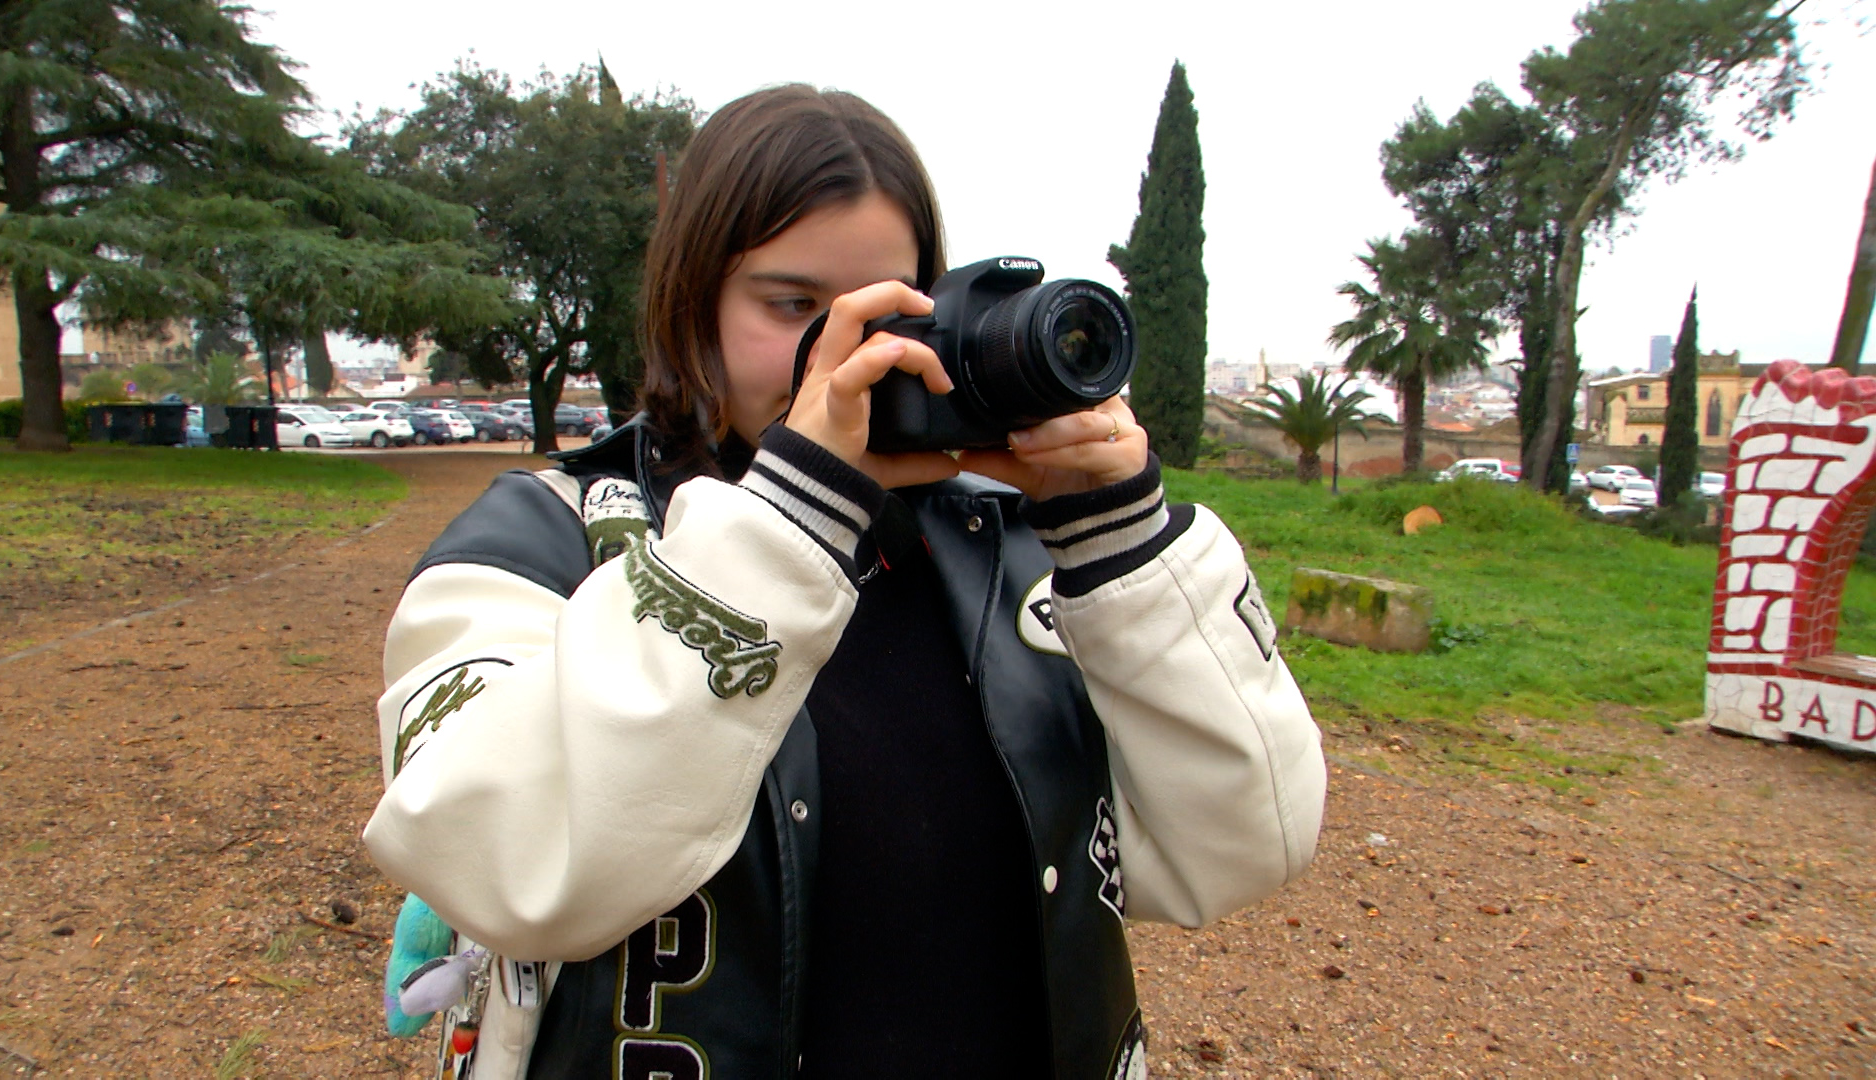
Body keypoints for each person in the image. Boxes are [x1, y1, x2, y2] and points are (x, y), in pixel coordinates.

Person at [364, 84, 1326, 1080]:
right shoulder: (545, 539)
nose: (851, 352)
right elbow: (494, 860)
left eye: (889, 307)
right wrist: (795, 515)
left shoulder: (1006, 544)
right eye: (794, 306)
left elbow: (1243, 843)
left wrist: (1118, 540)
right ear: (692, 307)